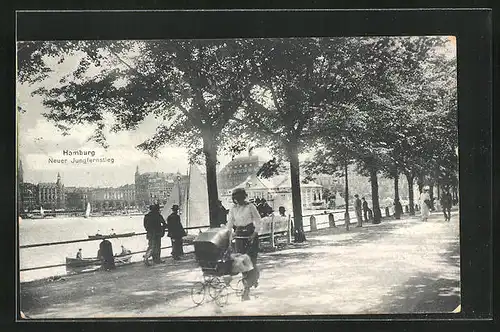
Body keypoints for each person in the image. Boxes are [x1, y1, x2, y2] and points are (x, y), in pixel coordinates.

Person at [227, 188, 261, 301]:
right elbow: (230, 223)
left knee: (251, 261)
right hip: (239, 236)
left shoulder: (250, 206)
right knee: (242, 262)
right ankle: (249, 284)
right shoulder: (233, 209)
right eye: (236, 199)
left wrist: (255, 233)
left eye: (240, 199)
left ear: (244, 197)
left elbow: (258, 220)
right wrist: (228, 236)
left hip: (250, 235)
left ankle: (248, 287)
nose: (238, 201)